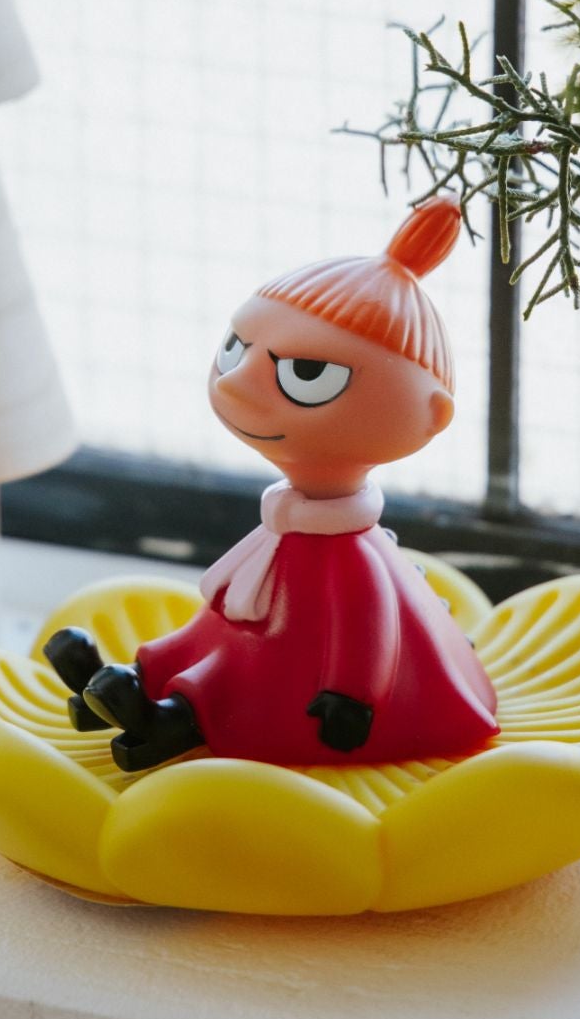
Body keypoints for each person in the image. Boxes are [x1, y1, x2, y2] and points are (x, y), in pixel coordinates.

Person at [47, 197, 499, 771]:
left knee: (248, 681)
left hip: (312, 684)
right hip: (262, 633)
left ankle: (164, 719)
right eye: (236, 349)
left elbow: (368, 627)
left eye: (305, 374)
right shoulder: (281, 529)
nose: (234, 383)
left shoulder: (352, 556)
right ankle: (127, 685)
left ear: (430, 416)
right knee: (210, 637)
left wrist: (351, 697)